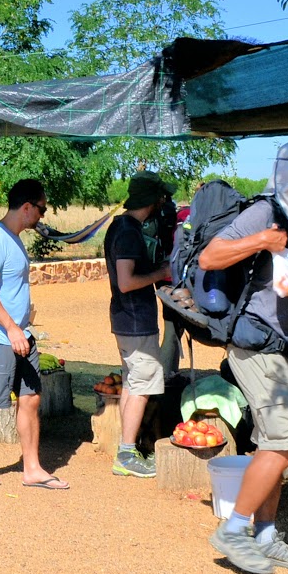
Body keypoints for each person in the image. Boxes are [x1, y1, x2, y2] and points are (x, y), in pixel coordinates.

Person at [202, 140, 288, 574]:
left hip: (281, 351)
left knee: (273, 445)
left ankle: (265, 536)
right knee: (287, 442)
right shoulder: (265, 212)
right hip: (258, 348)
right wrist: (263, 240)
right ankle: (234, 531)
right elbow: (210, 256)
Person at [0, 178, 69, 490]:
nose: (43, 216)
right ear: (27, 207)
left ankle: (32, 469)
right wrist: (10, 326)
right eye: (42, 209)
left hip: (21, 335)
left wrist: (22, 325)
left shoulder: (14, 239)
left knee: (31, 399)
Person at [104, 172, 174, 477]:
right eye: (162, 198)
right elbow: (126, 282)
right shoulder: (129, 233)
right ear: (153, 200)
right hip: (135, 321)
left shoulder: (121, 227)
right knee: (142, 386)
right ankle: (126, 455)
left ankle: (127, 449)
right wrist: (161, 274)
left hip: (126, 319)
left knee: (133, 384)